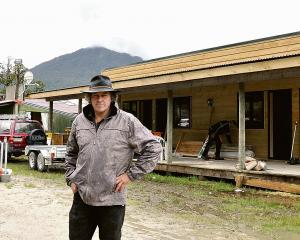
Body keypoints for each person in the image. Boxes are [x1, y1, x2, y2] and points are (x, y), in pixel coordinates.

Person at [65, 74, 162, 240]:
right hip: (82, 199)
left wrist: (130, 175)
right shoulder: (79, 121)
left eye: (104, 95)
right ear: (89, 98)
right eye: (95, 95)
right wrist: (71, 178)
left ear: (112, 97)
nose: (99, 99)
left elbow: (154, 147)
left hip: (112, 201)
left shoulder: (127, 121)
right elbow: (71, 152)